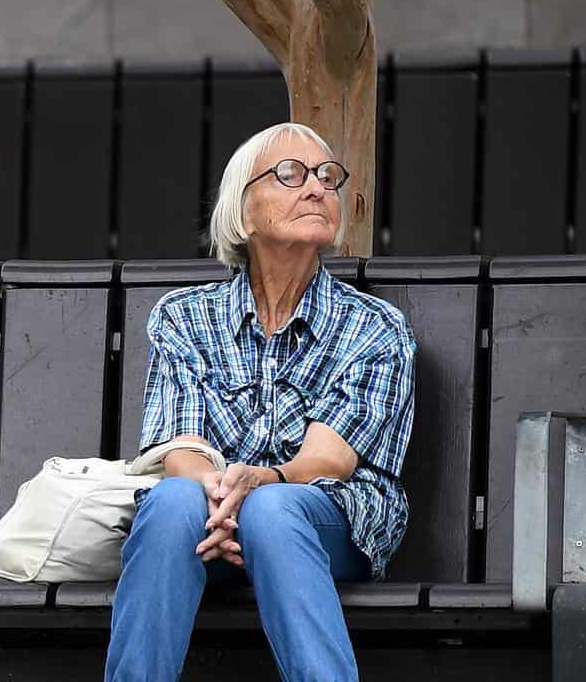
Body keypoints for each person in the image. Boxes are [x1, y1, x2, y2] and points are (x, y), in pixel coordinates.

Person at [104, 122, 417, 681]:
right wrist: (223, 501)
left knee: (273, 510)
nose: (317, 189)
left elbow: (328, 462)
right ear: (243, 214)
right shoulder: (184, 317)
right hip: (210, 526)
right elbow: (182, 448)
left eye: (327, 176)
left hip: (331, 519)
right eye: (291, 175)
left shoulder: (374, 327)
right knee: (173, 499)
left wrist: (258, 486)